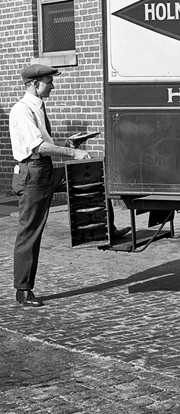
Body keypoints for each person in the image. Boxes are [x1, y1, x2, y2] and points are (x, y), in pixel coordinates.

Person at [9, 64, 91, 307]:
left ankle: (109, 229)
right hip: (32, 174)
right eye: (49, 82)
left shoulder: (38, 107)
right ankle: (23, 290)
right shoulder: (21, 110)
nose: (52, 86)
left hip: (44, 169)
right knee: (30, 231)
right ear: (35, 84)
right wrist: (72, 153)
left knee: (88, 175)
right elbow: (37, 147)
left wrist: (69, 144)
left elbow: (44, 144)